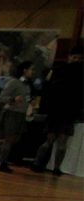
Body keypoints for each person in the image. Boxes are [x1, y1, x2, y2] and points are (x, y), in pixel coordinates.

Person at [31, 45, 83, 174]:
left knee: (57, 143)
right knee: (54, 142)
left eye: (79, 58)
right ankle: (49, 166)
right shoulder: (64, 71)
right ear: (70, 57)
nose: (76, 60)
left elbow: (46, 88)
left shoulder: (59, 70)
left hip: (62, 112)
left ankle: (47, 165)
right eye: (75, 57)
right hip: (62, 112)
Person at [0, 61, 34, 173]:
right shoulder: (14, 82)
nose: (32, 72)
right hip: (12, 113)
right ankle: (2, 163)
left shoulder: (27, 85)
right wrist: (13, 99)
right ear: (24, 70)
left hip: (21, 114)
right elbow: (1, 97)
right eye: (31, 69)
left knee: (15, 139)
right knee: (9, 139)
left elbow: (27, 99)